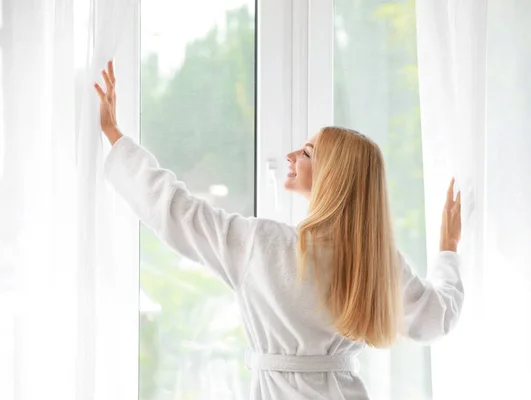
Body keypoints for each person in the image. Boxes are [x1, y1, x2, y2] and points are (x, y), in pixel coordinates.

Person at [95, 61, 463, 400]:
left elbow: (177, 211)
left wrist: (116, 138)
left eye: (306, 153)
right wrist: (447, 251)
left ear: (332, 178)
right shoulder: (378, 263)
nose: (290, 156)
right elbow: (435, 319)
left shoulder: (263, 245)